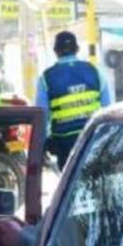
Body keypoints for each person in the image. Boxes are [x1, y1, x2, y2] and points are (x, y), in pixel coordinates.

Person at [34, 31, 110, 167]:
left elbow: (42, 116)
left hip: (64, 143)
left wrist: (42, 147)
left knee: (69, 185)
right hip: (93, 138)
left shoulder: (46, 78)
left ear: (56, 51)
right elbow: (107, 109)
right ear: (77, 49)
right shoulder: (94, 71)